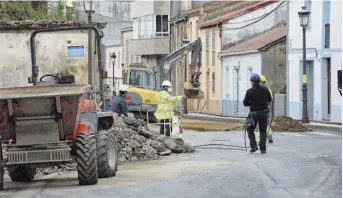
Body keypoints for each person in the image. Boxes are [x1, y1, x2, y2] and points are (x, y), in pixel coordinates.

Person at [243, 74, 272, 154]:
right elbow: (269, 99)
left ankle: (253, 146)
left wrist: (251, 103)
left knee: (249, 128)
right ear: (259, 81)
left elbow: (245, 103)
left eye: (251, 81)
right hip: (263, 113)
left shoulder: (249, 91)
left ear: (253, 82)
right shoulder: (265, 90)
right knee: (263, 131)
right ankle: (263, 149)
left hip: (253, 114)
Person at [260, 75, 274, 143]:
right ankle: (270, 136)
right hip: (268, 109)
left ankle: (262, 138)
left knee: (261, 124)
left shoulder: (258, 90)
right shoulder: (269, 90)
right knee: (267, 124)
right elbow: (271, 100)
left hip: (260, 110)